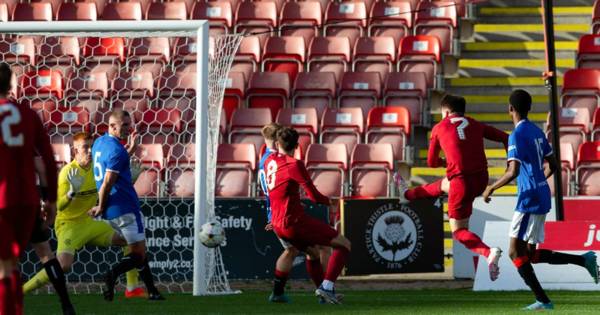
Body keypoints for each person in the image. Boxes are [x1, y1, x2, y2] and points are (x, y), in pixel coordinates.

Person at [482, 89, 599, 310]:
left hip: (529, 197)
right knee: (530, 254)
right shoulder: (537, 132)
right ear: (529, 109)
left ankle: (543, 300)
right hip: (542, 193)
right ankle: (585, 260)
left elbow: (513, 170)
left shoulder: (516, 135)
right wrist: (539, 181)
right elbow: (554, 165)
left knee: (515, 252)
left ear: (510, 110)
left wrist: (491, 188)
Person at [395, 94, 509, 281]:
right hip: (480, 180)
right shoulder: (475, 124)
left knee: (458, 232)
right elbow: (506, 137)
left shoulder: (440, 127)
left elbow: (431, 162)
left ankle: (489, 252)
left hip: (461, 183)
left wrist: (444, 162)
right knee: (443, 185)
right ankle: (407, 193)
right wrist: (509, 163)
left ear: (446, 111)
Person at [23, 132, 145, 301]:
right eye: (85, 148)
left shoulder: (97, 166)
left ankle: (132, 288)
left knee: (130, 239)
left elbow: (114, 171)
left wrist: (131, 172)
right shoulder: (68, 173)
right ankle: (21, 291)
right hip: (69, 225)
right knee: (63, 265)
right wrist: (72, 192)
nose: (89, 151)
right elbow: (59, 206)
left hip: (90, 222)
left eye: (92, 147)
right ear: (75, 151)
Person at [265, 127, 351, 304]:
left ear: (277, 144)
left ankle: (321, 295)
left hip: (277, 223)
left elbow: (280, 190)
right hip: (293, 222)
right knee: (344, 244)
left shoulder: (270, 161)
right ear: (297, 146)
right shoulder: (294, 164)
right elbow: (314, 196)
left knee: (312, 253)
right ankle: (327, 288)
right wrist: (331, 202)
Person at [0, 62, 57, 315]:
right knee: (10, 265)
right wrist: (51, 200)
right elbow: (47, 163)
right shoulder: (29, 115)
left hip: (1, 200)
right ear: (11, 84)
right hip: (27, 201)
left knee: (4, 267)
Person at [88, 109, 164, 301]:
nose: (128, 129)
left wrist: (130, 149)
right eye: (124, 125)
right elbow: (107, 182)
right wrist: (101, 206)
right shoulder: (117, 151)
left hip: (113, 211)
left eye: (129, 125)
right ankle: (112, 274)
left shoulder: (100, 142)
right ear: (112, 126)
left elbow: (115, 161)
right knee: (138, 254)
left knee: (139, 249)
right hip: (125, 207)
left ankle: (153, 291)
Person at [258, 123, 328, 303]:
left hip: (275, 211)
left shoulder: (266, 159)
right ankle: (320, 290)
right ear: (277, 141)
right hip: (280, 213)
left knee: (302, 250)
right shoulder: (276, 161)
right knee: (296, 250)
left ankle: (282, 292)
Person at [25, 157, 75, 315]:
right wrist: (47, 199)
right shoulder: (23, 137)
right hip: (27, 201)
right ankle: (67, 305)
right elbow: (42, 167)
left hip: (4, 202)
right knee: (46, 254)